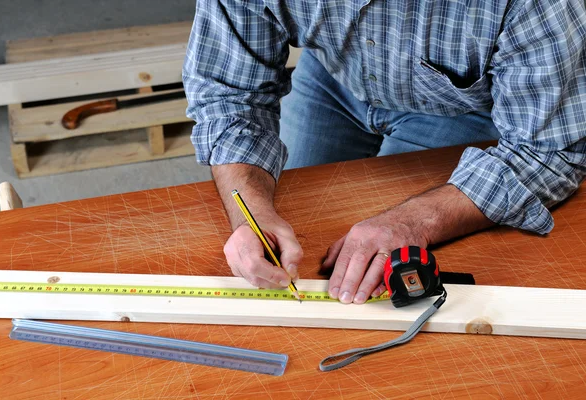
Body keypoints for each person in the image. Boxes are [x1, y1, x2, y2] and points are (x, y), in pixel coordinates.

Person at [183, 1, 586, 304]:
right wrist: (250, 215)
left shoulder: (540, 5)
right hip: (334, 76)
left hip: (458, 106)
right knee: (307, 243)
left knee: (399, 271)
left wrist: (413, 222)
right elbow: (229, 97)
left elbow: (547, 152)